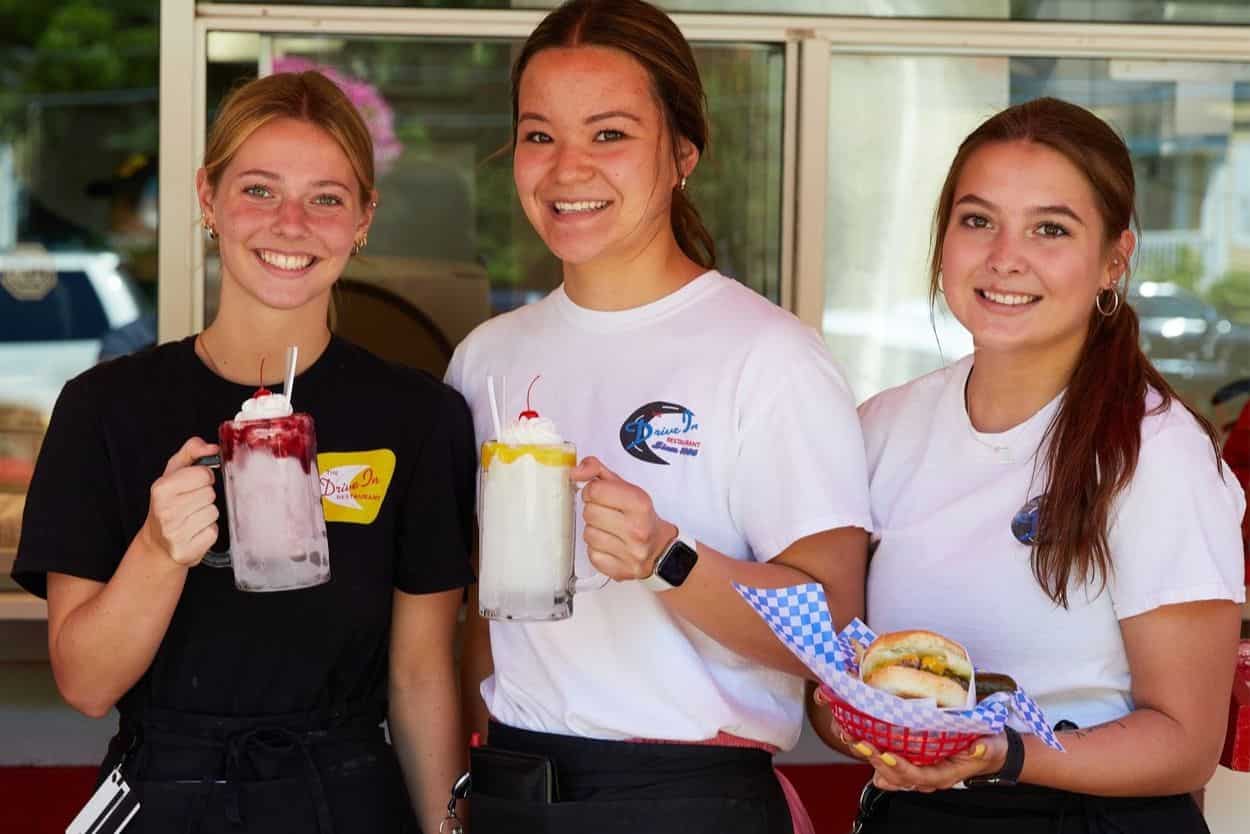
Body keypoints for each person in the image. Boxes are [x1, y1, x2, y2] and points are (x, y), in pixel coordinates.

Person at [444, 1, 871, 832]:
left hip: (687, 799)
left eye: (609, 134)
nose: (567, 168)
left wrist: (669, 557)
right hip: (513, 786)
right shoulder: (486, 359)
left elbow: (836, 635)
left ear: (682, 153)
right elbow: (476, 619)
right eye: (539, 135)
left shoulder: (769, 356)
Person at [12, 71, 475, 834]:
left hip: (348, 799)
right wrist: (161, 549)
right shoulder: (107, 407)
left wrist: (447, 829)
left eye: (326, 198)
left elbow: (421, 674)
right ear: (207, 198)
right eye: (258, 190)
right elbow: (87, 684)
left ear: (363, 218)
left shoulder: (419, 417)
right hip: (161, 798)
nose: (290, 224)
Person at [811, 97, 1246, 833]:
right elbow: (836, 694)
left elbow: (1184, 742)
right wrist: (854, 717)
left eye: (1050, 229)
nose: (1005, 257)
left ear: (1115, 259)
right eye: (977, 220)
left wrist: (1003, 754)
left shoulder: (1157, 452)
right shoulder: (881, 428)